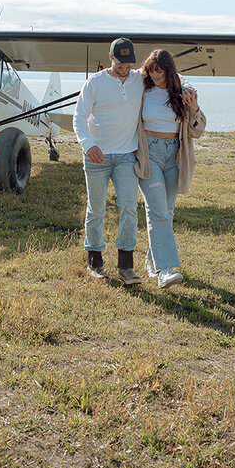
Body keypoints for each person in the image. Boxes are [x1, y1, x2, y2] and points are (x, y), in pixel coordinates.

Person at [73, 37, 145, 285]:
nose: (125, 67)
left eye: (129, 63)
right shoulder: (95, 82)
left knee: (128, 207)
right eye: (120, 62)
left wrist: (187, 86)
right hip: (97, 155)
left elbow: (166, 76)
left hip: (126, 155)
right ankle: (95, 262)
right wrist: (88, 144)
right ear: (111, 58)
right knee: (97, 208)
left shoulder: (139, 79)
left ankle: (126, 266)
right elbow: (79, 117)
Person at [134, 49, 207, 288]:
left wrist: (194, 104)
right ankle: (165, 270)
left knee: (166, 211)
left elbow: (198, 130)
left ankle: (152, 261)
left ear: (169, 70)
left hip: (174, 156)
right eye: (151, 71)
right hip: (150, 154)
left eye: (160, 71)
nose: (155, 75)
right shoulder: (143, 90)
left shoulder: (181, 94)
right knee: (157, 211)